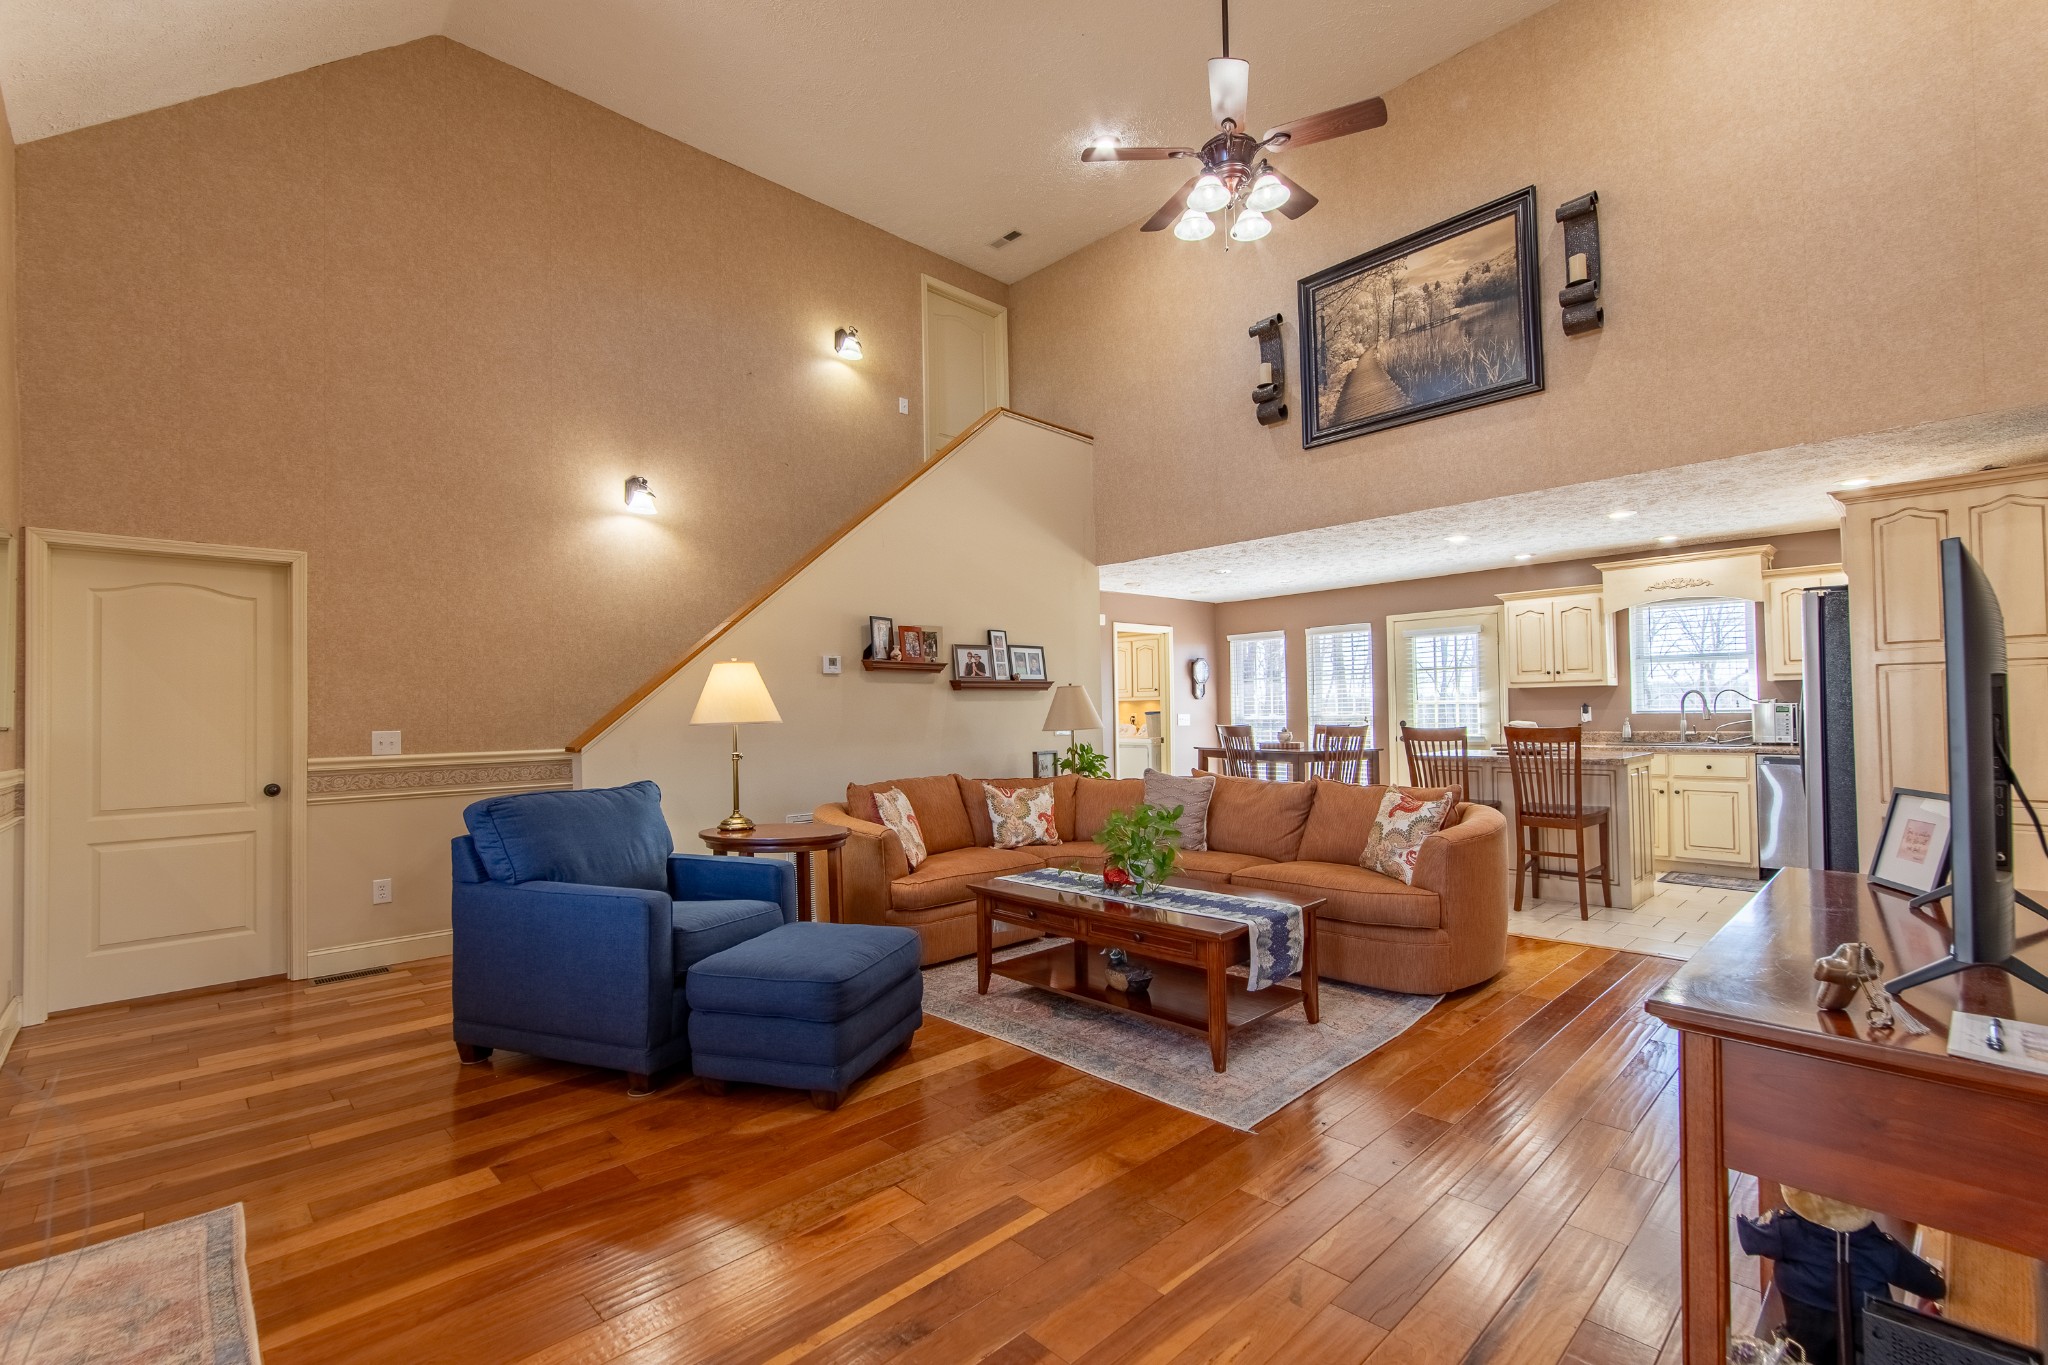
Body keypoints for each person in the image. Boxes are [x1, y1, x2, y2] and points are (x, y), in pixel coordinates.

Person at [1736, 1187, 1945, 1365]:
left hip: (1802, 1352)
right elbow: (1934, 1286)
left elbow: (1748, 1235)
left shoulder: (1784, 1231)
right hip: (1866, 1355)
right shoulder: (1880, 1249)